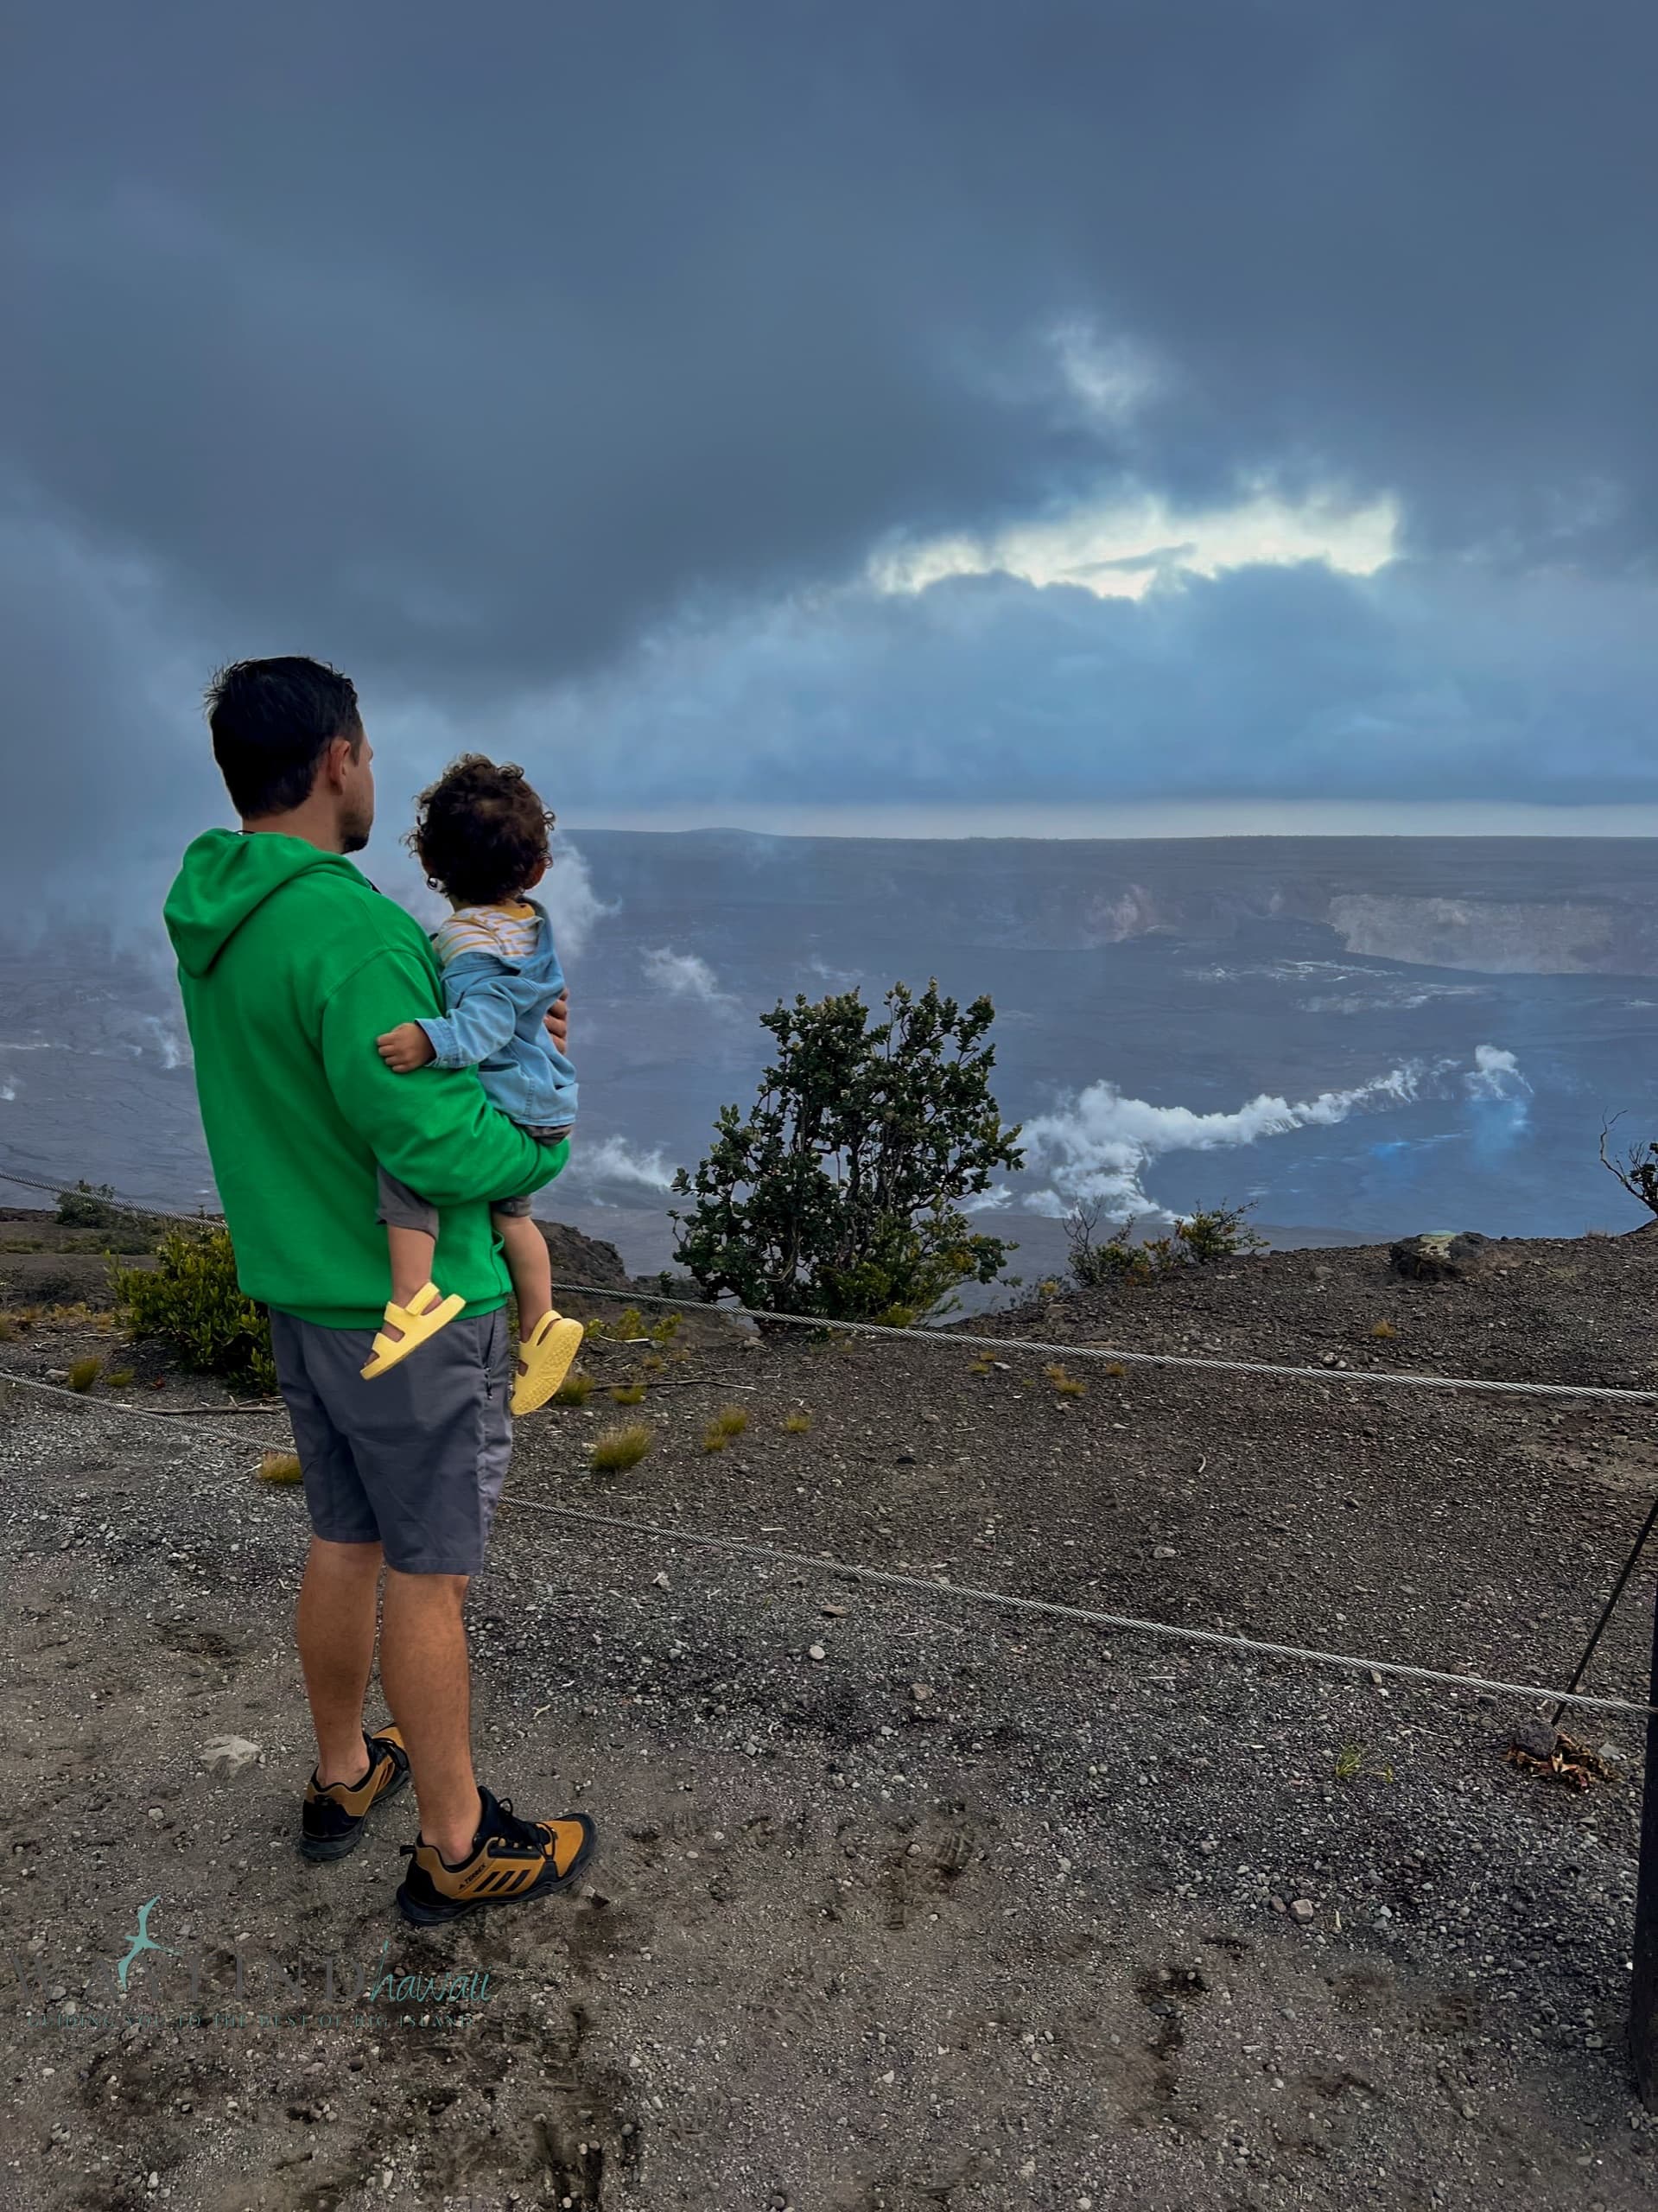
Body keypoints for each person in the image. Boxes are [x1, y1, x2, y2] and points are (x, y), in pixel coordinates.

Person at [163, 655, 595, 1925]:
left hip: (301, 1289)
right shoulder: (348, 926)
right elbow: (433, 1144)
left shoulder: (217, 910)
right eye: (368, 751)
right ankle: (458, 1845)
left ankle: (348, 1773)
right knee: (430, 1573)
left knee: (342, 1537)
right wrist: (546, 1145)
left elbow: (345, 1085)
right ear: (339, 756)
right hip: (411, 1310)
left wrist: (504, 1036)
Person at [365, 753, 584, 1416]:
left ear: (430, 865)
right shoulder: (527, 921)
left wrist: (431, 1039)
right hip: (547, 1104)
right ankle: (541, 1322)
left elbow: (485, 1023)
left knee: (411, 1166)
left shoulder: (471, 942)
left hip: (516, 1108)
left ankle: (412, 1299)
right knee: (511, 1214)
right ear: (538, 869)